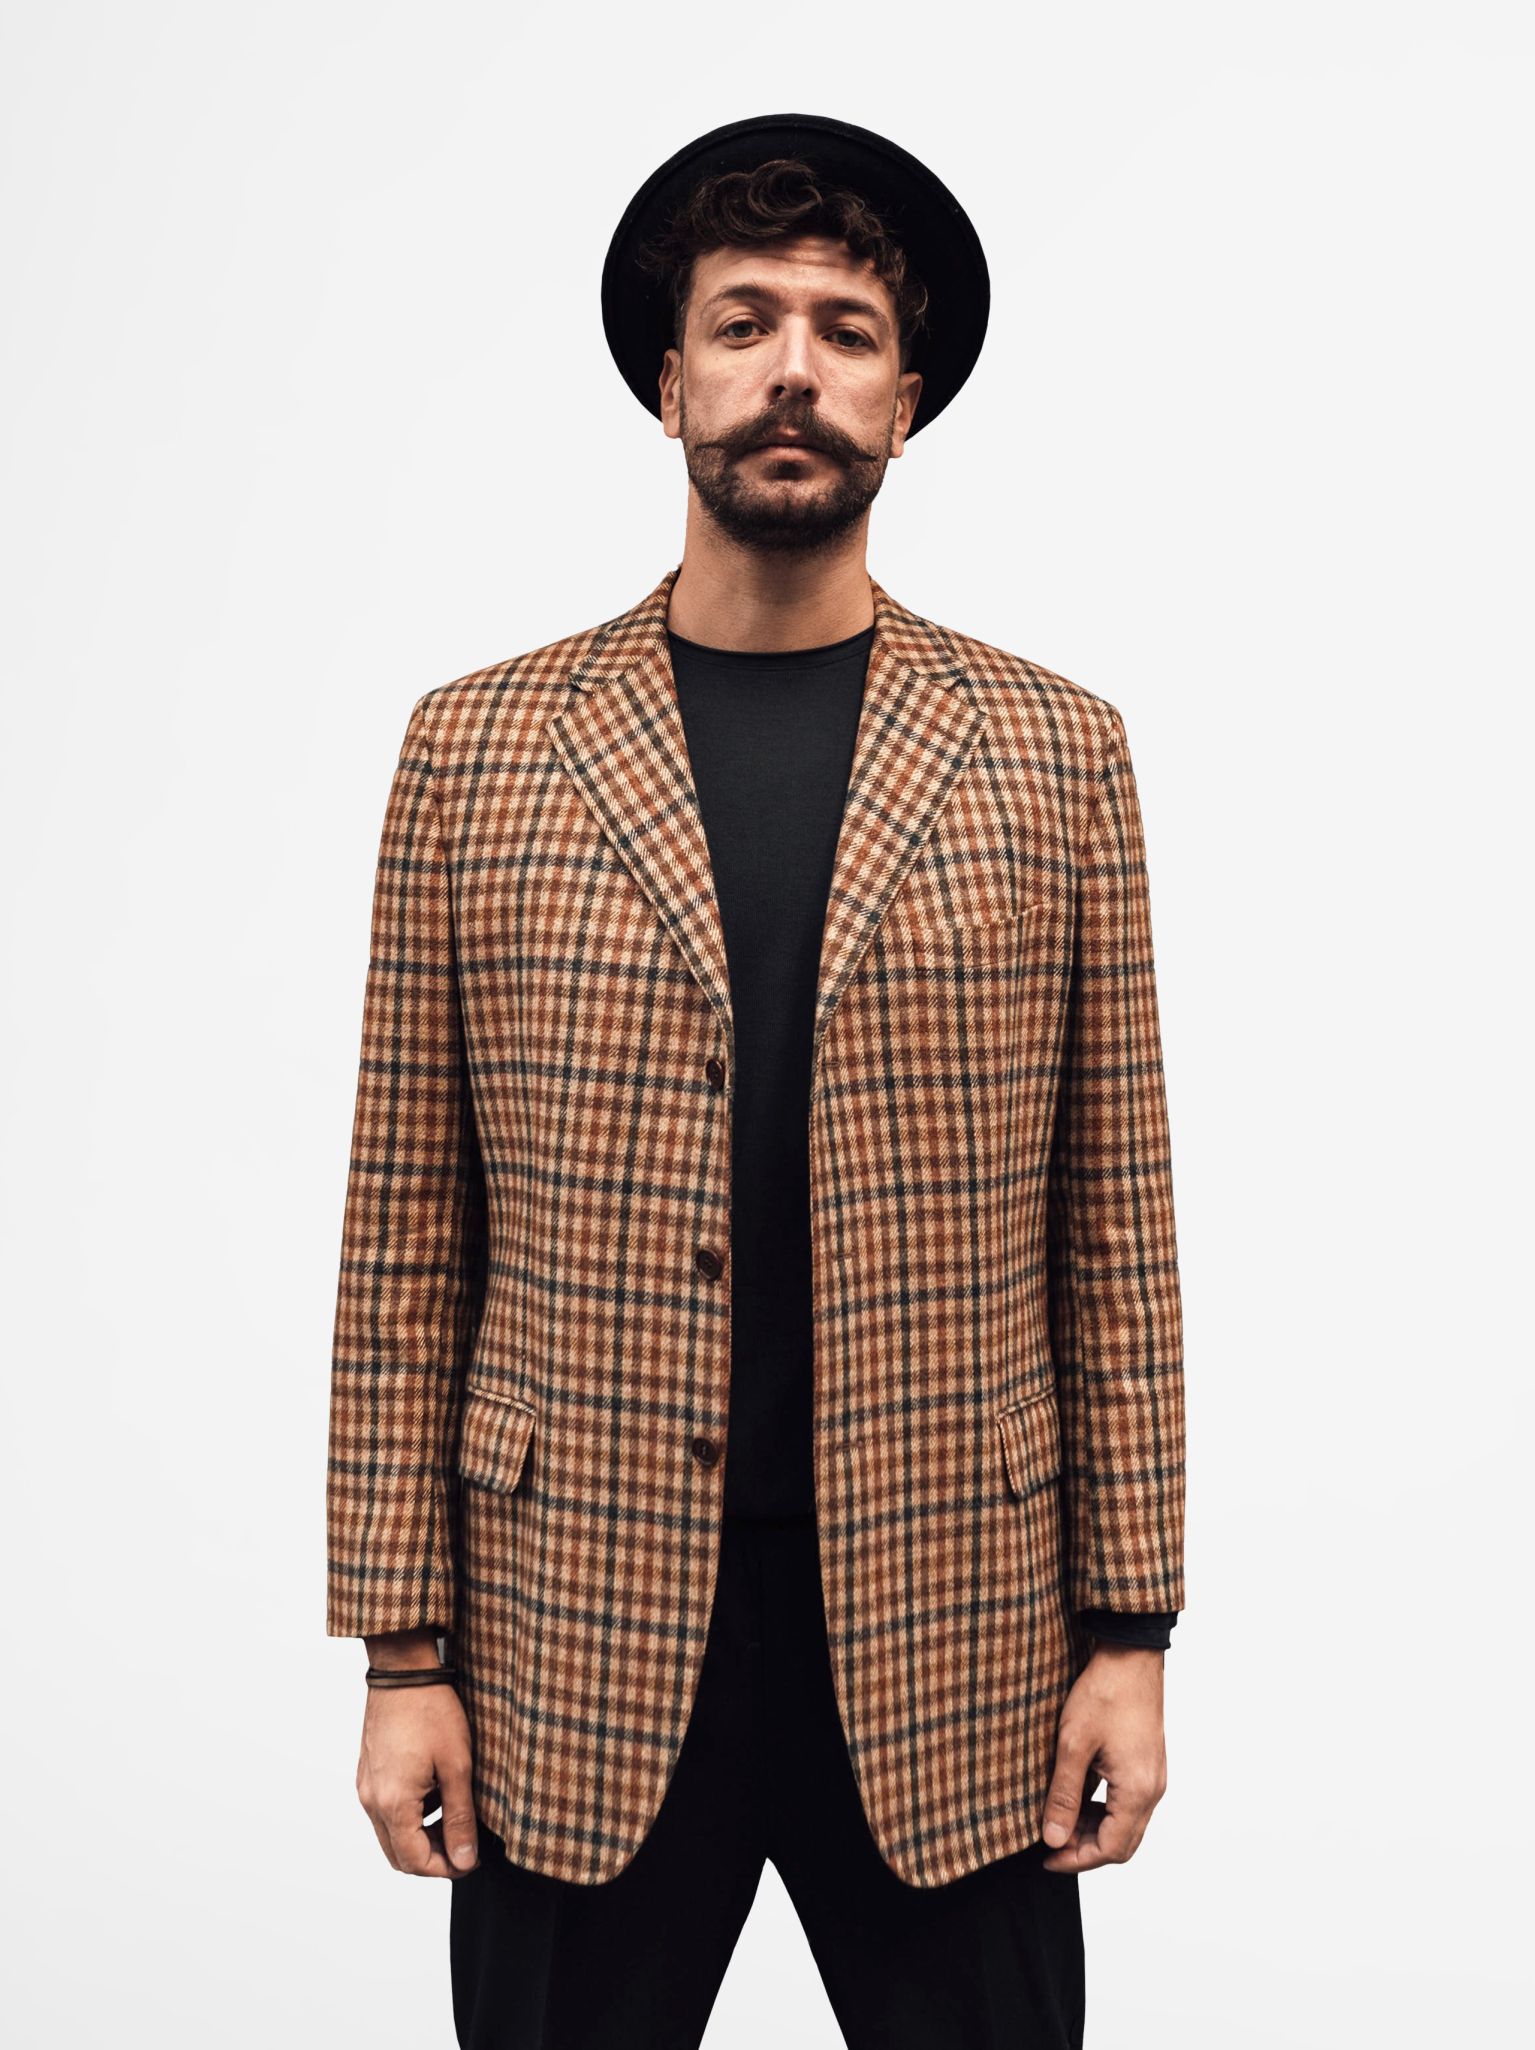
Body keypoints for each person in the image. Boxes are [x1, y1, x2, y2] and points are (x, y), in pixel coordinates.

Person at [325, 111, 1186, 2050]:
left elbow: (1114, 1223)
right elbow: (405, 1235)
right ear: (670, 383)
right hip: (573, 1632)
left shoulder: (1056, 752)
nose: (794, 367)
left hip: (960, 1627)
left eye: (846, 330)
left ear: (907, 403)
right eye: (744, 323)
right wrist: (401, 1650)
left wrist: (1130, 1629)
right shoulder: (477, 750)